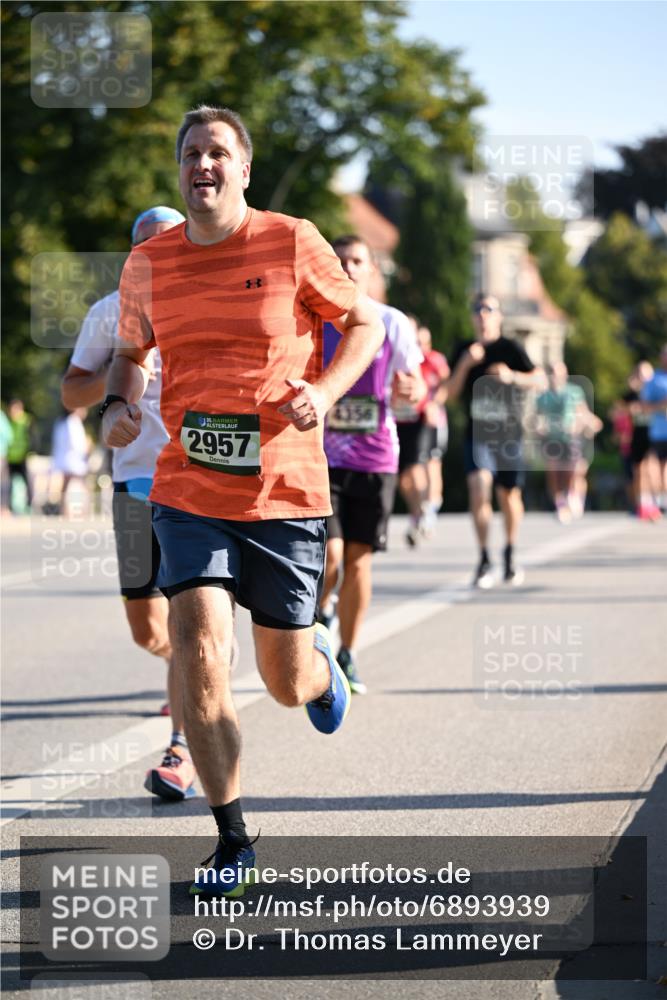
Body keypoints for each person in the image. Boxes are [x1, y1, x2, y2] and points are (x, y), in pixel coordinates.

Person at [101, 106, 385, 894]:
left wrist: (324, 392)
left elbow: (363, 323)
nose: (204, 163)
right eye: (191, 152)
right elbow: (130, 354)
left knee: (283, 681)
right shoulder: (149, 263)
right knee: (195, 645)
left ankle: (323, 670)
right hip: (187, 489)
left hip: (285, 490)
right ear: (180, 168)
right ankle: (232, 838)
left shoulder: (292, 239)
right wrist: (122, 402)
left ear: (243, 168)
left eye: (217, 151)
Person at [61, 205, 195, 801]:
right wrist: (117, 385)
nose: (154, 255)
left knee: (194, 624)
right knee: (148, 630)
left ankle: (182, 745)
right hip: (135, 482)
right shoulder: (109, 313)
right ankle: (188, 671)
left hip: (197, 484)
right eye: (143, 247)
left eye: (166, 243)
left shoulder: (212, 304)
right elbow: (71, 390)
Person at [318, 235, 425, 694]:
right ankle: (321, 614)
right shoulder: (313, 317)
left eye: (356, 260)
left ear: (370, 270)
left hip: (375, 457)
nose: (348, 267)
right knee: (331, 554)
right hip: (319, 456)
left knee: (359, 561)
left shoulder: (390, 322)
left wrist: (411, 393)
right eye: (340, 260)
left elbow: (415, 385)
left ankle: (348, 651)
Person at [439, 294, 545, 588]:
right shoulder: (464, 349)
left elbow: (540, 379)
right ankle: (484, 558)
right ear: (472, 317)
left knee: (509, 496)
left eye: (489, 309)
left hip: (509, 433)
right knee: (479, 487)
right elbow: (447, 395)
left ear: (498, 316)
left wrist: (512, 376)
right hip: (478, 433)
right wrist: (464, 364)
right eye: (478, 309)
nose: (483, 315)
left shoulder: (510, 348)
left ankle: (510, 552)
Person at [394, 324, 449, 545]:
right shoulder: (401, 358)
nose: (422, 347)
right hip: (402, 419)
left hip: (427, 420)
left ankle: (428, 511)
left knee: (428, 465)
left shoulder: (434, 360)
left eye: (425, 343)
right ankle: (417, 512)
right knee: (404, 474)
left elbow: (447, 383)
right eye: (418, 343)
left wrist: (434, 404)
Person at [536, 362, 600, 522]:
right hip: (551, 439)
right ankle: (560, 504)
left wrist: (585, 423)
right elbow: (538, 418)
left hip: (571, 438)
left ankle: (573, 495)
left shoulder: (573, 391)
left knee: (573, 471)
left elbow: (582, 412)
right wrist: (539, 426)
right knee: (554, 472)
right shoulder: (542, 397)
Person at [622, 362, 661, 520]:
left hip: (654, 433)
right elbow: (621, 410)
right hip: (638, 434)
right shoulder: (632, 394)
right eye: (640, 374)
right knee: (638, 470)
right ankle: (642, 503)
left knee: (653, 468)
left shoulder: (656, 391)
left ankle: (657, 502)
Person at [640, 344, 667, 513]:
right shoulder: (654, 380)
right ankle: (661, 499)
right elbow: (644, 407)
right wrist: (661, 405)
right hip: (660, 432)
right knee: (659, 467)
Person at [50, 407, 90, 516]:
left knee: (66, 486)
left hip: (63, 459)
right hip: (73, 460)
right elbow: (77, 444)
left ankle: (64, 509)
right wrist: (87, 448)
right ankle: (82, 510)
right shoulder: (73, 422)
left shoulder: (61, 421)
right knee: (81, 484)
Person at [6, 398, 34, 513]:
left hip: (23, 457)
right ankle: (11, 507)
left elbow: (32, 438)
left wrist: (29, 452)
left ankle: (29, 505)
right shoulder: (9, 422)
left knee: (27, 481)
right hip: (11, 457)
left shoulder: (26, 421)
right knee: (10, 483)